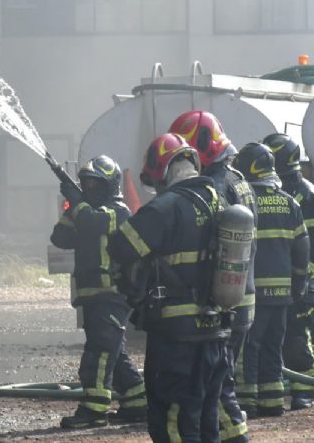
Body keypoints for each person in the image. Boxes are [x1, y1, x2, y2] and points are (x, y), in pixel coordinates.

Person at [108, 133, 230, 443]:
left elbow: (121, 247)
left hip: (176, 335)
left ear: (162, 167)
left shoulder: (167, 206)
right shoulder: (218, 200)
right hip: (215, 331)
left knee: (172, 420)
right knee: (205, 418)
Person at [170, 111, 253, 443]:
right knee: (220, 379)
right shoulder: (238, 179)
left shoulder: (217, 185)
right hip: (242, 294)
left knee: (216, 386)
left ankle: (236, 439)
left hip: (226, 300)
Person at [51, 156, 147, 429]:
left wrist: (78, 203)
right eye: (86, 183)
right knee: (115, 355)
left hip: (112, 295)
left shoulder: (118, 210)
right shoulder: (85, 212)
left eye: (95, 183)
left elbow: (93, 223)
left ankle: (93, 411)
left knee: (99, 354)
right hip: (93, 295)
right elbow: (60, 238)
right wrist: (72, 207)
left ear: (109, 185)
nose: (89, 188)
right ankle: (138, 404)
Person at [232, 142, 309, 418]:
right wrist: (300, 282)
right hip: (283, 293)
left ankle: (248, 402)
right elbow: (303, 246)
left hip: (253, 292)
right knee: (273, 347)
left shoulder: (245, 201)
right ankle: (273, 400)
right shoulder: (290, 202)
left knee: (249, 347)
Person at [263, 133, 314, 410]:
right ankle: (277, 386)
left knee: (298, 336)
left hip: (300, 279)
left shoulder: (307, 194)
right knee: (273, 335)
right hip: (277, 277)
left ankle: (305, 390)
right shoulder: (276, 191)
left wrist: (304, 277)